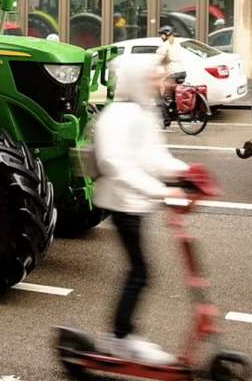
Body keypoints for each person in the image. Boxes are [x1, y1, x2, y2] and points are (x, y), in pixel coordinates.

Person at [93, 55, 188, 365]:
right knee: (140, 273)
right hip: (122, 202)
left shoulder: (145, 112)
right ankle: (120, 338)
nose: (161, 83)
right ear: (136, 78)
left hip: (137, 202)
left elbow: (155, 159)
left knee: (140, 272)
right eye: (154, 77)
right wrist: (161, 191)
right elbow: (113, 163)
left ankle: (123, 335)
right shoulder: (118, 115)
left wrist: (188, 173)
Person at [156, 25, 186, 126]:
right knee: (172, 94)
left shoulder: (165, 45)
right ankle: (175, 110)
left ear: (167, 34)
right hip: (182, 72)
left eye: (162, 35)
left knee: (164, 97)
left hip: (173, 73)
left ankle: (166, 120)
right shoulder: (178, 44)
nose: (161, 37)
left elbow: (158, 59)